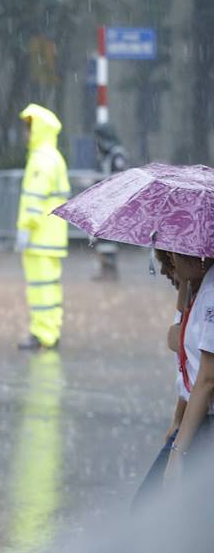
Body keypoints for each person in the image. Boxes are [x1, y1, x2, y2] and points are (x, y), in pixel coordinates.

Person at [131, 250, 186, 510]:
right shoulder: (191, 298)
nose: (164, 271)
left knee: (146, 508)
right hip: (189, 423)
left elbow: (204, 381)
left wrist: (178, 446)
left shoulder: (206, 299)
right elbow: (191, 379)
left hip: (200, 425)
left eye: (170, 263)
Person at [15, 103, 71, 351]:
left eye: (28, 128)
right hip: (50, 238)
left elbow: (34, 199)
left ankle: (43, 335)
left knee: (41, 290)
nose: (25, 134)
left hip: (40, 238)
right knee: (48, 289)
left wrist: (25, 229)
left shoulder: (41, 159)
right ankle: (49, 331)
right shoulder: (52, 156)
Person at [164, 251, 214, 485]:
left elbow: (206, 378)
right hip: (197, 420)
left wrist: (177, 452)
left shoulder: (211, 293)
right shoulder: (200, 288)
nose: (167, 266)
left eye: (172, 255)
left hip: (205, 424)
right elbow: (176, 343)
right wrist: (177, 420)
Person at [91, 123, 129, 281]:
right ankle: (105, 270)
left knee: (109, 240)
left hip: (113, 204)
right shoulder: (107, 155)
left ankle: (110, 272)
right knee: (102, 239)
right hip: (104, 203)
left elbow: (118, 179)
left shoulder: (117, 155)